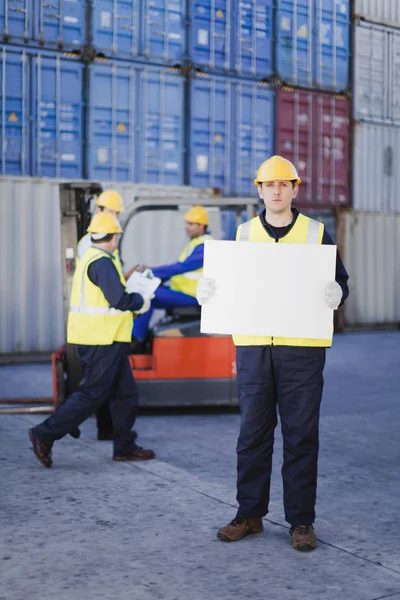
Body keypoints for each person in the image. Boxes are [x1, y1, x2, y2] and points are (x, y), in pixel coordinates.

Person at [196, 155, 349, 552]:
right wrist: (209, 292)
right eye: (270, 185)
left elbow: (340, 283)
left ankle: (300, 521)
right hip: (253, 348)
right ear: (259, 190)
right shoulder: (243, 235)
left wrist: (337, 293)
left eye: (285, 184)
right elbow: (228, 284)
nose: (278, 191)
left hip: (302, 350)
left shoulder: (318, 234)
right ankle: (249, 514)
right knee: (252, 435)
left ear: (296, 189)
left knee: (301, 436)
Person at [29, 211, 155, 468]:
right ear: (115, 237)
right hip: (102, 340)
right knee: (92, 395)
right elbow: (119, 300)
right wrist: (142, 301)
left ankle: (124, 446)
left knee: (126, 394)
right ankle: (44, 433)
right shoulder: (102, 262)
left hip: (109, 339)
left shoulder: (95, 258)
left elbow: (110, 293)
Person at [74, 190, 137, 441]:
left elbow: (111, 281)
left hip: (109, 329)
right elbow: (105, 287)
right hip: (100, 330)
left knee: (115, 389)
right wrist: (135, 300)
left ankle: (112, 434)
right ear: (101, 210)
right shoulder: (94, 248)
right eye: (115, 212)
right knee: (94, 390)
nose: (117, 217)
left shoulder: (97, 245)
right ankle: (58, 424)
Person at [132, 205, 213, 344]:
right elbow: (180, 270)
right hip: (183, 292)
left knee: (148, 296)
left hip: (193, 296)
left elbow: (182, 267)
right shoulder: (195, 243)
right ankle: (139, 336)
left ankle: (136, 340)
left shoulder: (204, 245)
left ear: (202, 226)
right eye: (187, 223)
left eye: (191, 224)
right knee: (148, 292)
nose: (187, 227)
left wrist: (152, 272)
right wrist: (156, 276)